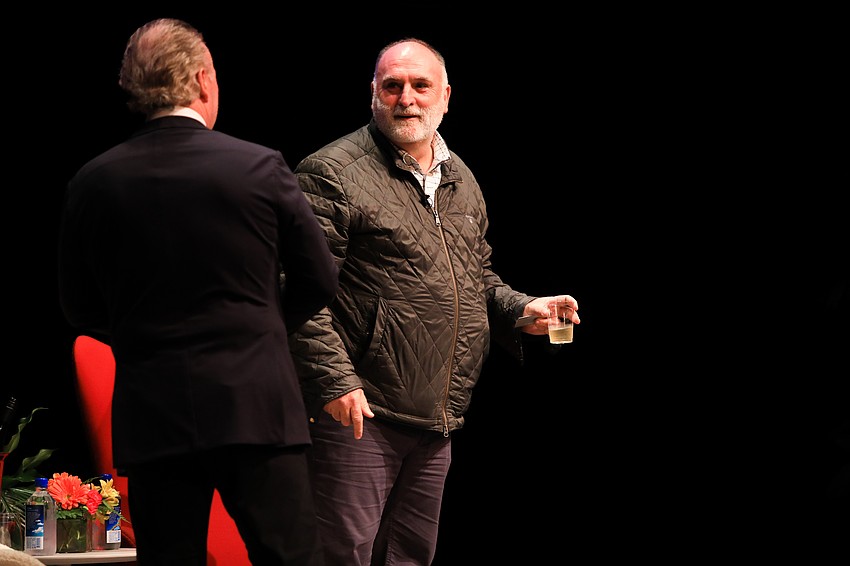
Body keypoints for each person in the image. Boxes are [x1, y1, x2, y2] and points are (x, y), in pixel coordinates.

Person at [287, 37, 581, 565]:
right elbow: (297, 290)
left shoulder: (460, 178)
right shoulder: (330, 172)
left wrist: (521, 309)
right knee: (341, 556)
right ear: (372, 94)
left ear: (446, 96)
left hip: (438, 414)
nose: (407, 98)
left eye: (421, 86)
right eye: (392, 85)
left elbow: (476, 275)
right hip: (360, 413)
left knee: (409, 557)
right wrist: (334, 381)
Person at [57, 18, 337, 566]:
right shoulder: (259, 166)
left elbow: (77, 305)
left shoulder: (92, 181)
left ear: (134, 88)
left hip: (154, 415)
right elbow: (320, 278)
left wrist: (142, 336)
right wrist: (263, 328)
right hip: (258, 408)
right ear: (204, 81)